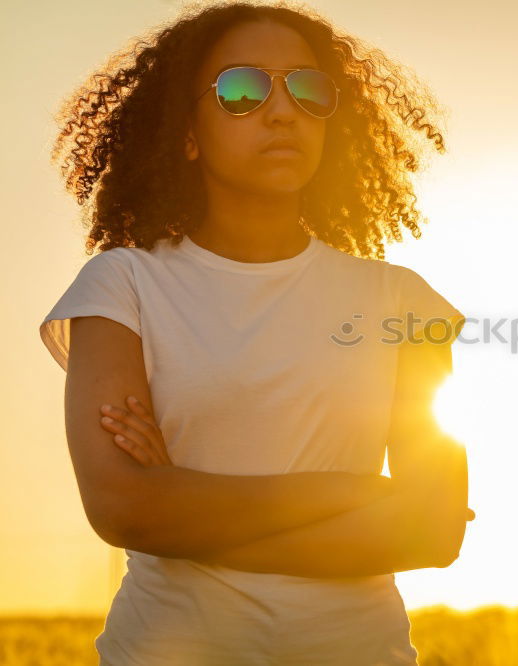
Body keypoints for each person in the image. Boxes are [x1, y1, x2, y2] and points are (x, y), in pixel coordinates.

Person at [38, 3, 474, 664]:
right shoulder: (121, 286)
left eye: (308, 89)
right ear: (186, 131)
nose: (282, 111)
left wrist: (182, 503)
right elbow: (123, 508)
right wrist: (348, 493)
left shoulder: (401, 301)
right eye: (242, 90)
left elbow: (433, 530)